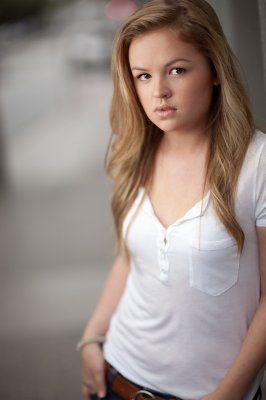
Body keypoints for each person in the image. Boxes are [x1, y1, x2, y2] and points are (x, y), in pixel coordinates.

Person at [77, 1, 266, 399]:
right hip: (116, 378)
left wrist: (229, 393)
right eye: (143, 76)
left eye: (177, 70)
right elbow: (131, 258)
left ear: (214, 69)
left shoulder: (258, 164)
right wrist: (92, 339)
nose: (159, 91)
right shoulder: (138, 152)